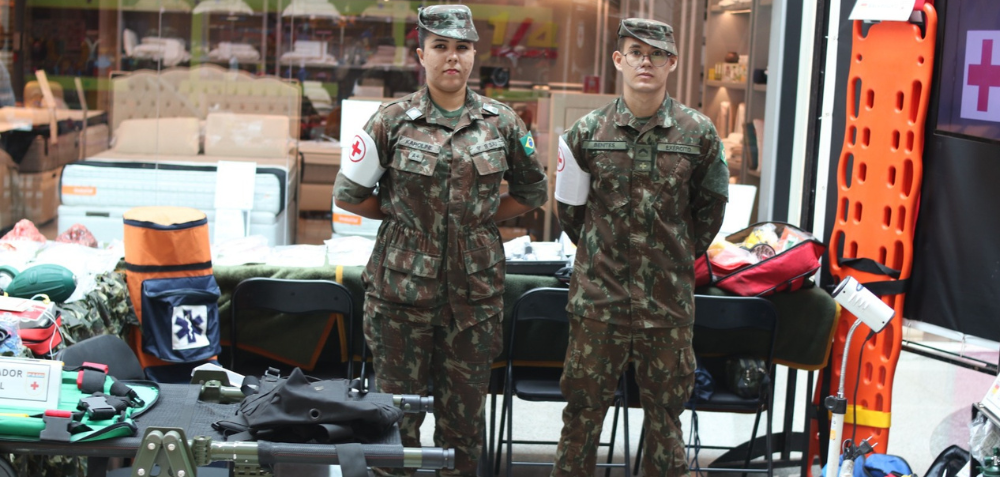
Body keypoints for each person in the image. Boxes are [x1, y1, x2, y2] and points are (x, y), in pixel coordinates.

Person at [332, 5, 548, 476]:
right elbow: (349, 196)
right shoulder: (391, 120)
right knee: (395, 423)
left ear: (474, 56)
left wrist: (482, 218)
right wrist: (404, 216)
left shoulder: (502, 123)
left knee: (464, 427)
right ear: (421, 55)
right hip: (399, 298)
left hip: (473, 299)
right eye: (441, 47)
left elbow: (533, 191)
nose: (453, 57)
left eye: (462, 48)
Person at [551, 18, 729, 477]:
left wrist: (669, 257)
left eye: (655, 54)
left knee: (665, 421)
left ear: (672, 62)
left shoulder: (699, 133)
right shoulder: (586, 131)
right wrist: (602, 255)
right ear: (619, 60)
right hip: (598, 303)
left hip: (667, 306)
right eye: (635, 52)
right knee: (581, 418)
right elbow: (570, 212)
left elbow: (710, 212)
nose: (644, 62)